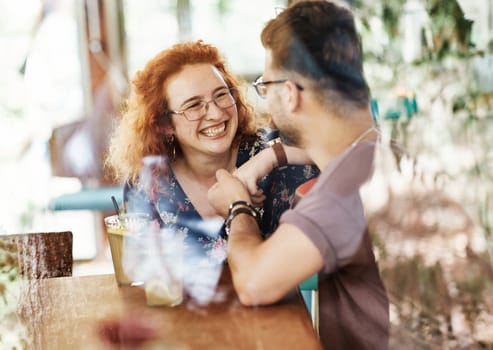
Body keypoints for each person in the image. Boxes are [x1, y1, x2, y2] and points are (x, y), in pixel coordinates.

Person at [207, 1, 389, 349]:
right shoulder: (377, 155)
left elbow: (255, 284)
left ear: (290, 94)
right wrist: (273, 156)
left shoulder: (342, 191)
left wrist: (237, 207)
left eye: (265, 86)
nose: (265, 98)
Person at [106, 40, 319, 268]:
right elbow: (142, 273)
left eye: (221, 95)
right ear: (165, 123)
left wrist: (268, 158)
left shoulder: (273, 151)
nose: (216, 114)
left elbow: (347, 146)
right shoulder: (148, 185)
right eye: (193, 105)